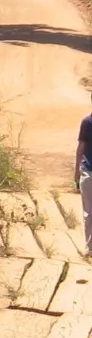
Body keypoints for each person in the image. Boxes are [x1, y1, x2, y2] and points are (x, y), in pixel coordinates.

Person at [80, 91, 92, 254]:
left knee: (89, 212)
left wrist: (76, 171)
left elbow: (80, 148)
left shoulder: (87, 122)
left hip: (88, 172)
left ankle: (90, 247)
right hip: (88, 171)